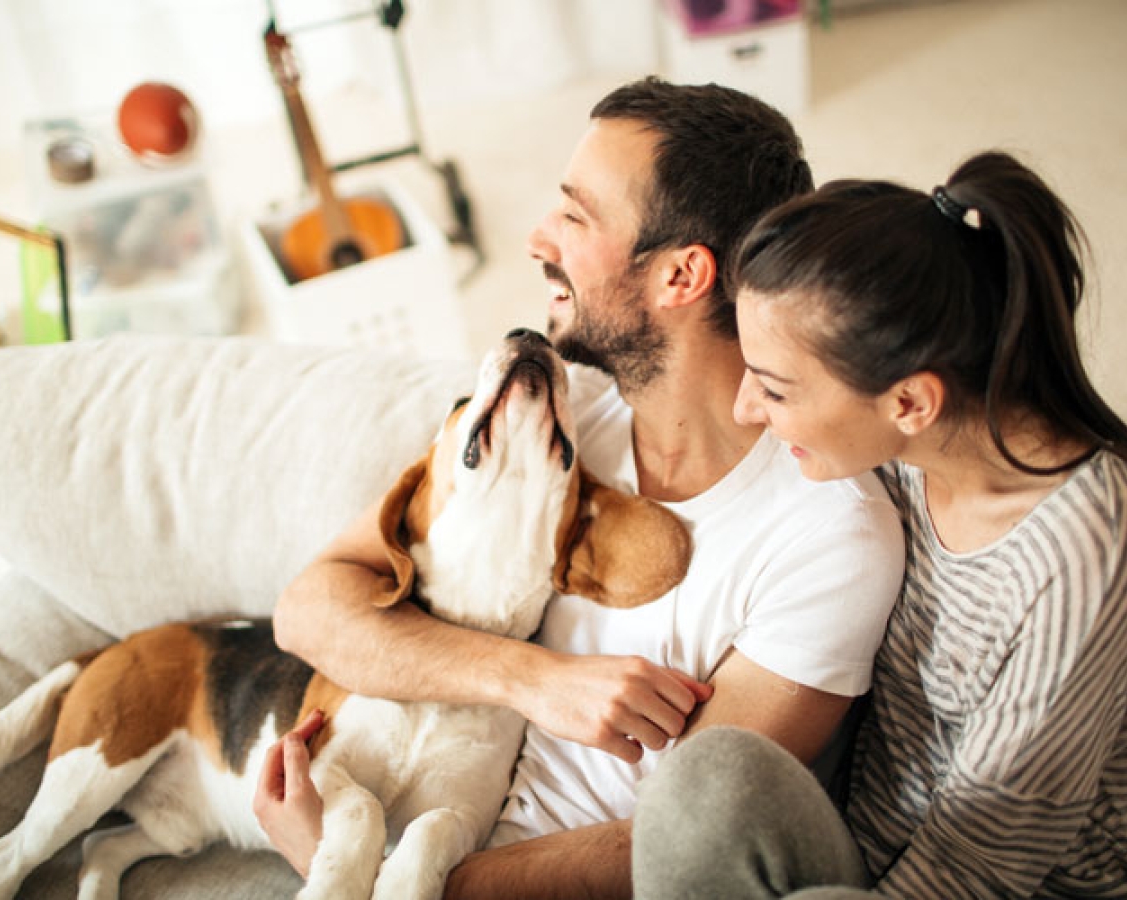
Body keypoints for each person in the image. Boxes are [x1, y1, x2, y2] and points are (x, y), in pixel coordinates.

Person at [254, 77, 906, 898]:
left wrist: (371, 876)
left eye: (575, 214)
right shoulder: (562, 410)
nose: (536, 237)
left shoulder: (831, 536)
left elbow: (681, 837)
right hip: (414, 819)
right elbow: (308, 607)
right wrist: (532, 679)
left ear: (681, 276)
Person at [632, 150, 1127, 898]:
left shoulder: (1081, 550)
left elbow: (981, 865)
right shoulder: (904, 454)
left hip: (989, 882)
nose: (747, 411)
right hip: (863, 829)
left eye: (773, 389)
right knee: (707, 775)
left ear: (909, 403)